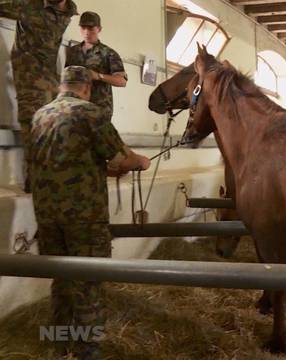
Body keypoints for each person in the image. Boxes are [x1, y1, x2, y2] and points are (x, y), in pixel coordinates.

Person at [30, 66, 150, 359]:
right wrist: (141, 162)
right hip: (83, 218)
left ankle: (59, 347)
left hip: (47, 215)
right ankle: (87, 351)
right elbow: (123, 157)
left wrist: (104, 171)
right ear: (87, 87)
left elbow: (63, 161)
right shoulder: (90, 113)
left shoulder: (40, 115)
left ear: (62, 85)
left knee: (60, 281)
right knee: (88, 284)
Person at [0, 0, 78, 191]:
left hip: (50, 79)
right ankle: (34, 179)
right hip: (28, 76)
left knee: (53, 126)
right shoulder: (29, 5)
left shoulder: (69, 11)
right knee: (32, 124)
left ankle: (48, 175)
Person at [65, 11, 127, 120]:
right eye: (83, 28)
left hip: (98, 110)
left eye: (90, 28)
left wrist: (99, 76)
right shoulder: (73, 51)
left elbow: (122, 81)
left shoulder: (108, 53)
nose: (86, 32)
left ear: (99, 29)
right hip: (74, 108)